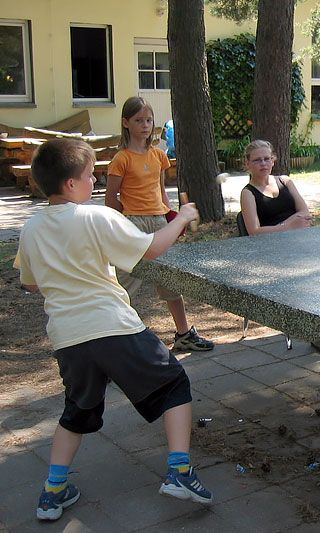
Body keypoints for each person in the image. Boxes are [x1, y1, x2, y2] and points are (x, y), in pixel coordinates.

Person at [15, 138, 213, 522]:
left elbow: (32, 283)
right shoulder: (95, 217)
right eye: (90, 177)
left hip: (68, 340)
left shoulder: (31, 230)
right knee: (174, 384)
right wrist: (183, 217)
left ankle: (52, 493)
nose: (95, 184)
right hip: (113, 327)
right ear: (71, 184)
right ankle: (180, 472)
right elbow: (152, 248)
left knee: (77, 409)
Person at [105, 96, 214, 352]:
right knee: (125, 287)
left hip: (159, 223)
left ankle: (184, 333)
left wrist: (170, 219)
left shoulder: (158, 156)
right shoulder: (121, 159)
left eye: (149, 120)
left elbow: (161, 192)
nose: (145, 125)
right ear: (125, 123)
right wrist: (130, 221)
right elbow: (111, 199)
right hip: (133, 225)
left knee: (170, 281)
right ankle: (112, 344)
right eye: (138, 120)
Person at [239, 139, 312, 236]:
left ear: (272, 161)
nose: (263, 163)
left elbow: (304, 211)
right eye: (257, 160)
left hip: (298, 236)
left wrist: (290, 225)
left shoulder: (285, 181)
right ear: (247, 164)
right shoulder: (248, 193)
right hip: (270, 243)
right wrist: (288, 227)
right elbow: (254, 231)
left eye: (266, 159)